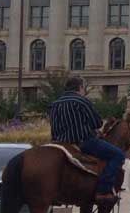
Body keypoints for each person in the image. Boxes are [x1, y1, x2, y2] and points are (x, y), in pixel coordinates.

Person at [49, 75, 123, 204]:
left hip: (59, 143)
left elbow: (53, 127)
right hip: (83, 142)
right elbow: (97, 123)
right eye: (84, 88)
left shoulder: (55, 104)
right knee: (118, 155)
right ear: (80, 87)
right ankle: (104, 190)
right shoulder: (81, 101)